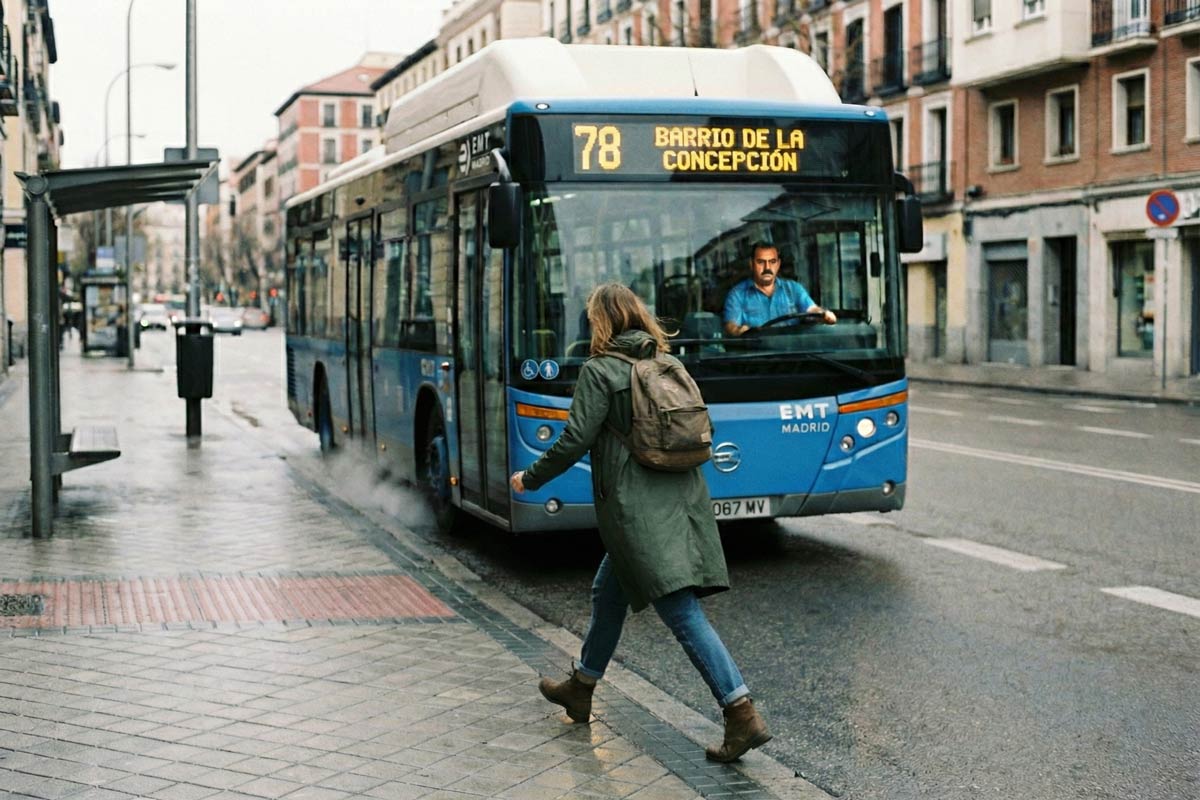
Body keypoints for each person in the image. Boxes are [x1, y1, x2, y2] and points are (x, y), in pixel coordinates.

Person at [510, 282, 771, 763]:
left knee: (681, 610)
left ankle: (741, 712)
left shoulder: (600, 370)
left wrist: (531, 477)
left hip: (637, 510)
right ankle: (582, 687)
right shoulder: (668, 363)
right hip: (681, 499)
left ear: (601, 322)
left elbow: (574, 439)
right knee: (607, 593)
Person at [723, 242, 836, 336]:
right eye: (761, 262)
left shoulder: (793, 289)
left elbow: (811, 309)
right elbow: (731, 326)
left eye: (772, 262)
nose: (767, 267)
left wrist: (823, 314)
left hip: (790, 351)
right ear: (751, 264)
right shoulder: (737, 295)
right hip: (756, 353)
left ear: (778, 264)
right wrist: (740, 331)